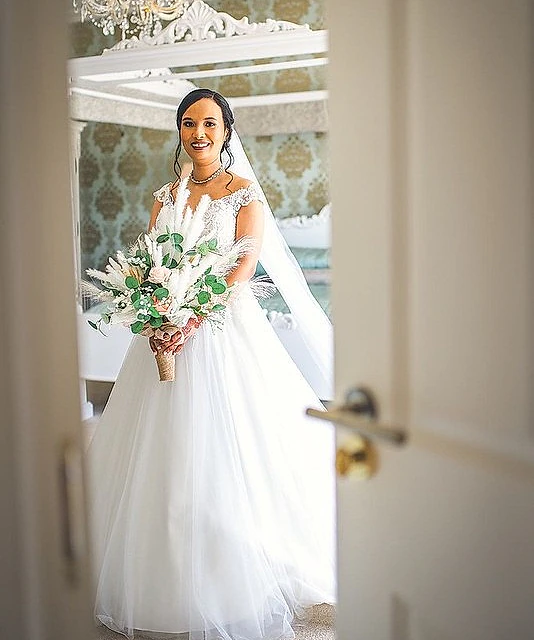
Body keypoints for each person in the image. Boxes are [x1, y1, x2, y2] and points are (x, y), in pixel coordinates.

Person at [87, 88, 336, 640]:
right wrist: (156, 314)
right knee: (160, 451)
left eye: (208, 123)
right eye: (188, 123)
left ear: (226, 131)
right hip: (165, 332)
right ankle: (159, 575)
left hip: (222, 331)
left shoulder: (245, 195)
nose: (198, 133)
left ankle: (236, 573)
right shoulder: (164, 194)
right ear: (179, 132)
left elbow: (241, 271)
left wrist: (191, 319)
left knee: (230, 448)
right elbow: (153, 260)